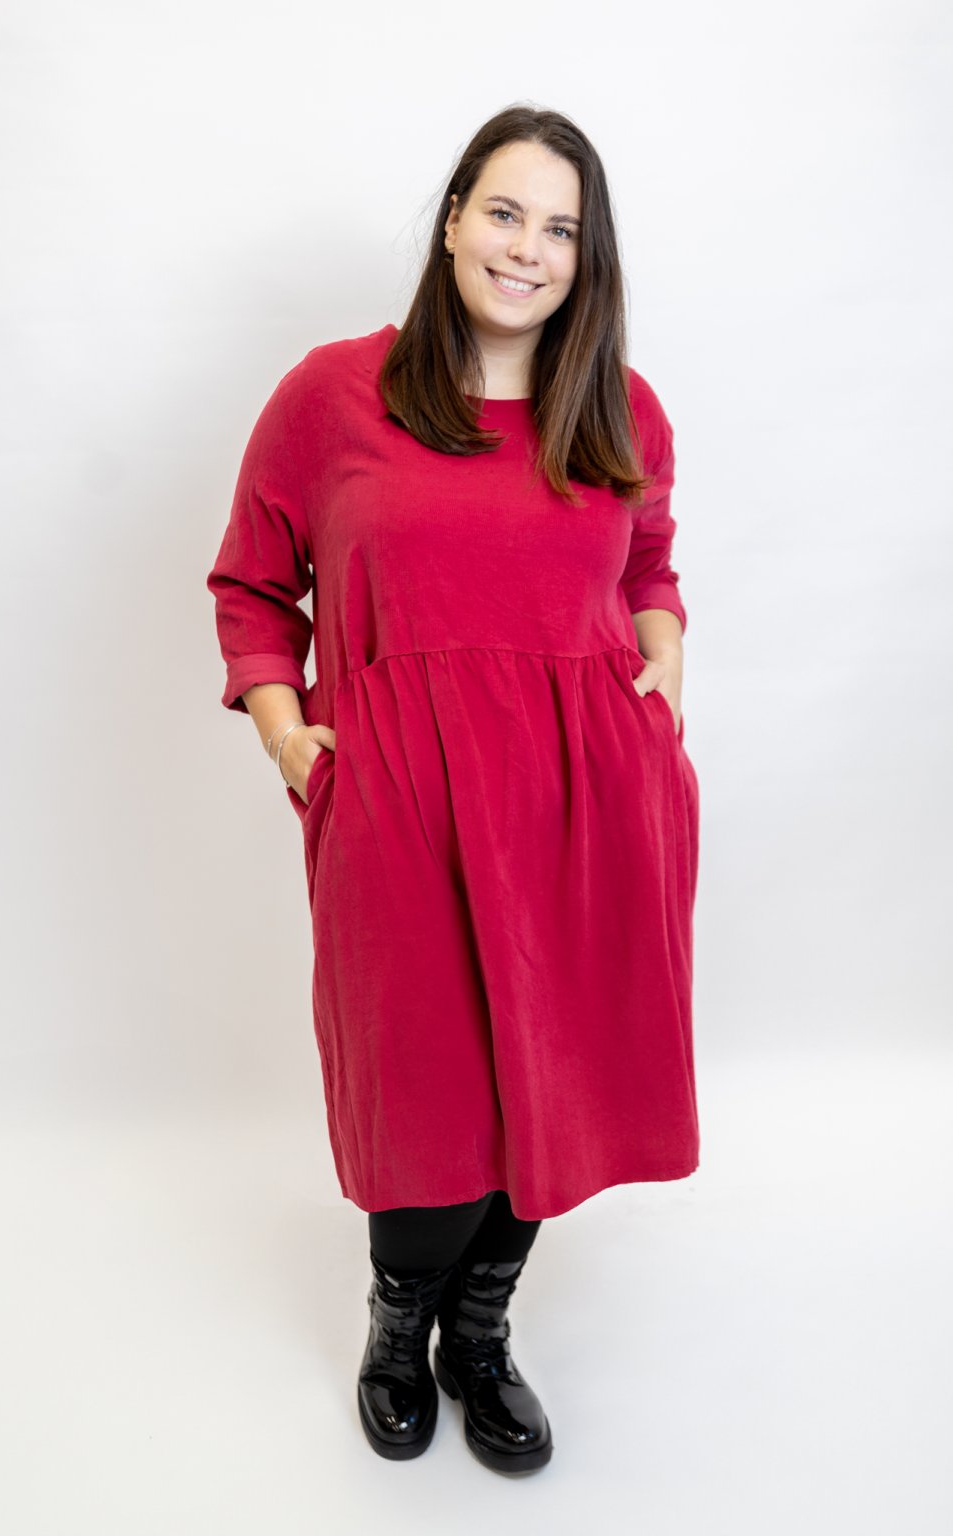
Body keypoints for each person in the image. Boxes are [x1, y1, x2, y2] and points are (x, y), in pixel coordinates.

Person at [206, 104, 700, 1476]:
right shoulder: (334, 397)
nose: (528, 249)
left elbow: (648, 564)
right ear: (452, 220)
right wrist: (292, 741)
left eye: (561, 229)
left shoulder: (619, 407)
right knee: (427, 1089)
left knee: (550, 1083)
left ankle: (480, 1335)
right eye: (505, 212)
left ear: (587, 257)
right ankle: (398, 1323)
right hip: (401, 808)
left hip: (585, 807)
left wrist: (664, 663)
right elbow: (254, 584)